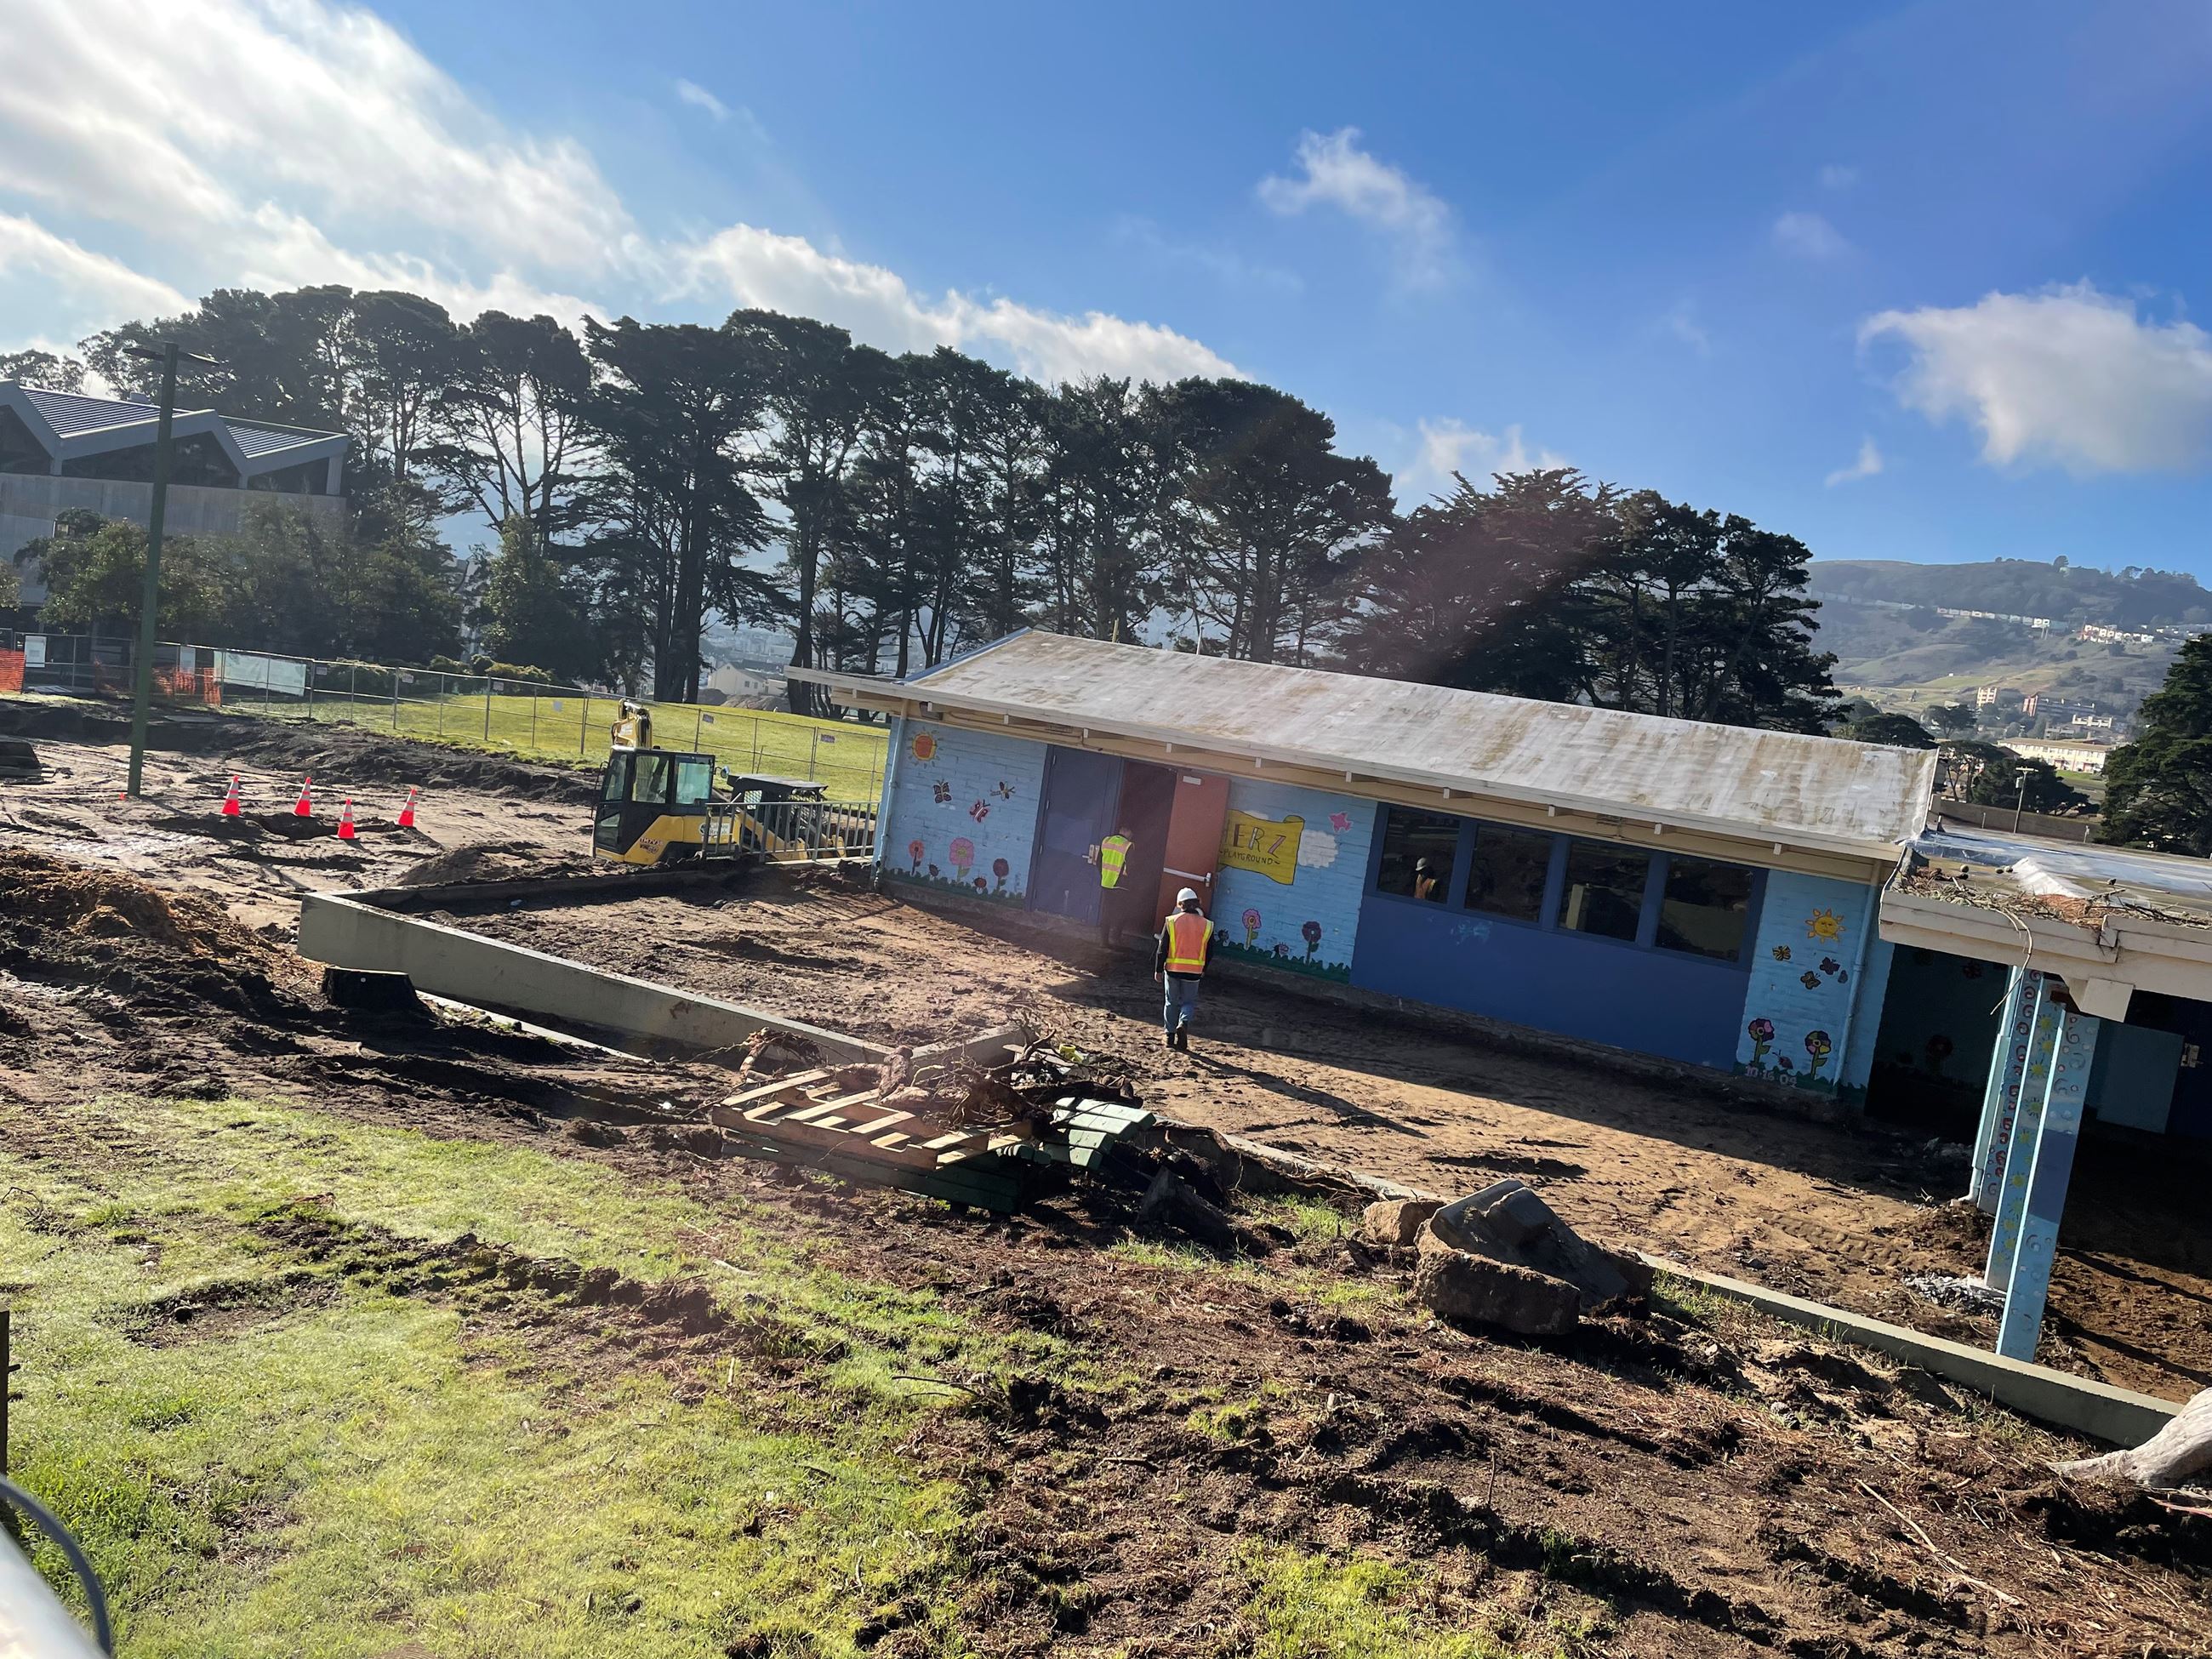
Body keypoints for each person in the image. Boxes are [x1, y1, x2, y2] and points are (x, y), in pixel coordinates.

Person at [1153, 886, 1215, 1051]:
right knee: (1188, 1002)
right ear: (1196, 904)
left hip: (1173, 969)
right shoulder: (1207, 925)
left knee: (1171, 1002)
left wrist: (1158, 969)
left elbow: (1162, 947)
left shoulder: (1171, 922)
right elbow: (1211, 951)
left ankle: (1169, 1036)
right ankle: (1184, 1022)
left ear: (1180, 904)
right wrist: (1204, 968)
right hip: (1194, 972)